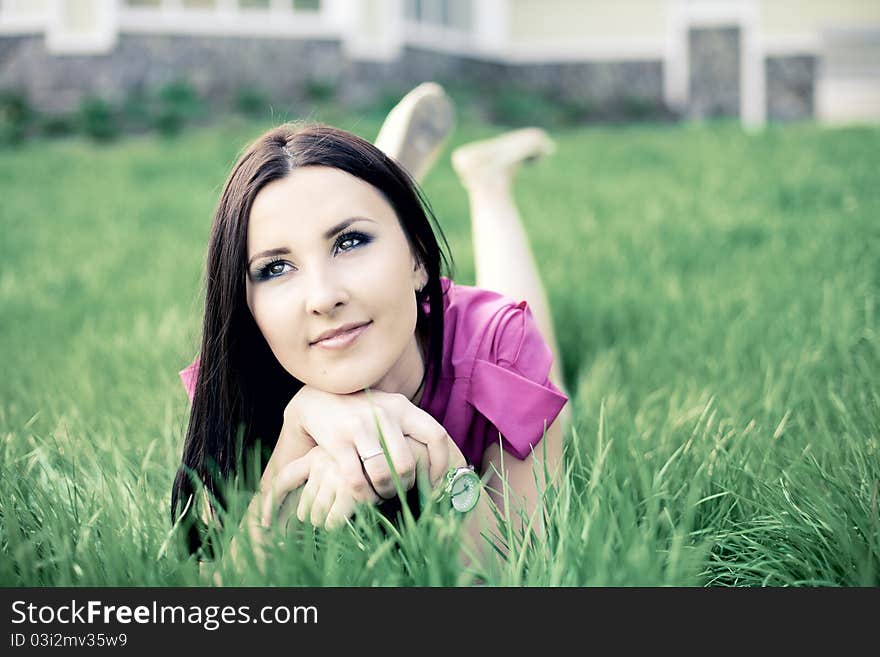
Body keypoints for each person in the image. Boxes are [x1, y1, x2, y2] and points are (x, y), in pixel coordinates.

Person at [171, 82, 571, 575]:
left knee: (537, 348)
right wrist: (297, 433)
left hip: (468, 337)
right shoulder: (235, 379)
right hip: (388, 301)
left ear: (420, 260)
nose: (322, 298)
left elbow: (523, 570)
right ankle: (374, 201)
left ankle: (486, 182)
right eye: (275, 268)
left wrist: (442, 469)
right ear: (245, 304)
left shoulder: (498, 347)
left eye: (350, 241)